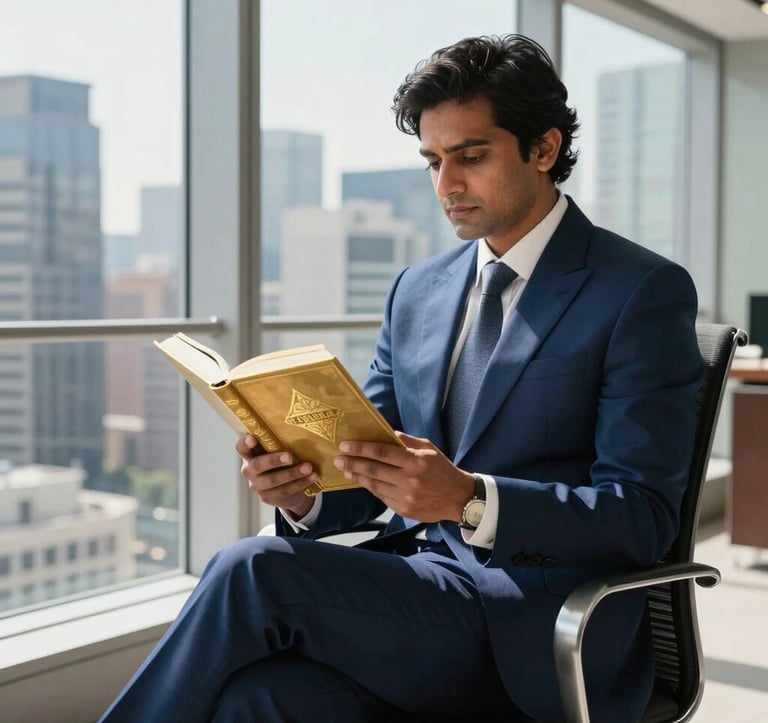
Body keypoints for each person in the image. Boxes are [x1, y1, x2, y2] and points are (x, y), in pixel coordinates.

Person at [100, 34, 703, 723]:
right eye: (433, 161)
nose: (447, 185)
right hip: (423, 597)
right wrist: (305, 495)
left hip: (539, 621)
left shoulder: (639, 291)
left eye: (470, 157)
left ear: (543, 149)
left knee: (252, 570)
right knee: (256, 699)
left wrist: (472, 500)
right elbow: (370, 463)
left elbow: (643, 518)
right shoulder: (418, 291)